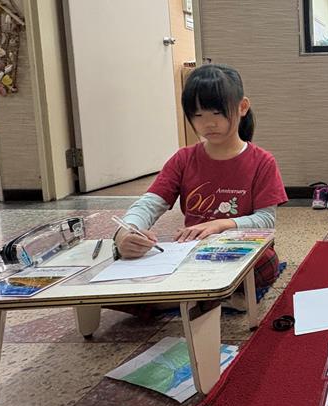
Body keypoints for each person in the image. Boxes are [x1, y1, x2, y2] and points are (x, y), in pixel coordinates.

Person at [114, 63, 288, 297]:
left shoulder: (261, 161)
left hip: (239, 248)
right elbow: (149, 204)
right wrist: (126, 232)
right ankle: (205, 300)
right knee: (121, 277)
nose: (208, 124)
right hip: (193, 252)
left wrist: (220, 225)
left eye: (217, 113)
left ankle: (191, 300)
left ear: (242, 107)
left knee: (265, 264)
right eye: (198, 115)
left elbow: (265, 220)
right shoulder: (184, 159)